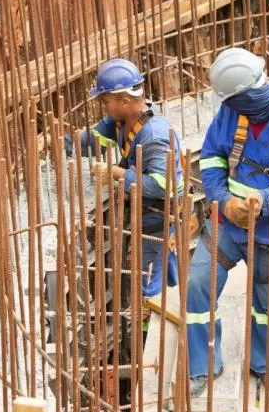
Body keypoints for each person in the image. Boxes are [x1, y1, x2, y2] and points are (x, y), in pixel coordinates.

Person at [185, 47, 269, 398]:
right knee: (199, 282)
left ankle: (265, 365)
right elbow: (212, 158)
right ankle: (203, 364)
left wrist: (262, 203)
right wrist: (223, 201)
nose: (229, 107)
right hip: (226, 226)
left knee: (268, 307)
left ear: (245, 95)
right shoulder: (230, 114)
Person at [67, 58, 184, 317]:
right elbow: (93, 138)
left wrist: (118, 173)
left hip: (157, 218)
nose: (101, 105)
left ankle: (153, 337)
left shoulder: (154, 135)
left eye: (104, 100)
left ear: (124, 101)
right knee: (165, 270)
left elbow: (164, 186)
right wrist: (64, 143)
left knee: (148, 282)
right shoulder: (121, 122)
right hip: (144, 212)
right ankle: (175, 306)